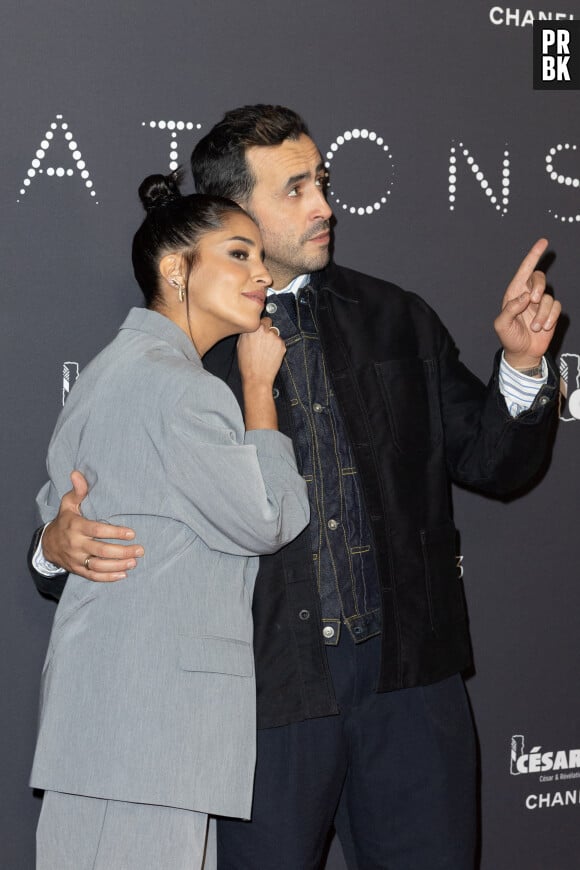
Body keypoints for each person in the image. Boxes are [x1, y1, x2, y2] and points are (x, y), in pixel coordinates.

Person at [30, 106, 561, 870]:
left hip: (408, 684)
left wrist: (519, 367)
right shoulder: (182, 356)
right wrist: (53, 548)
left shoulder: (394, 318)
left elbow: (493, 463)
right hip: (258, 701)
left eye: (323, 181)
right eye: (296, 189)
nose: (325, 206)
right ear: (233, 213)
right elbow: (71, 518)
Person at [30, 170, 309, 870]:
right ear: (175, 269)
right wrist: (256, 390)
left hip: (116, 729)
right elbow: (270, 517)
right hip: (151, 735)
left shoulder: (111, 369)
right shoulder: (182, 390)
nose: (261, 275)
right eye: (238, 254)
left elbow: (55, 509)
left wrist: (49, 545)